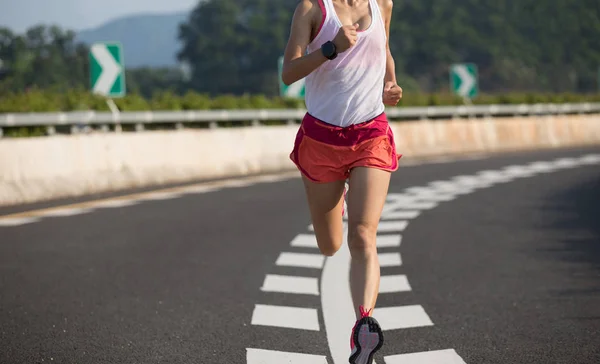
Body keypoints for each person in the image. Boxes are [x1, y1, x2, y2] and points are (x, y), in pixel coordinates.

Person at [282, 0, 402, 363]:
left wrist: (391, 82)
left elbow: (385, 50)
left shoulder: (382, 4)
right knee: (330, 244)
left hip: (371, 135)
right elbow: (288, 73)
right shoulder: (312, 8)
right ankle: (340, 201)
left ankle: (363, 326)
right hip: (322, 141)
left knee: (363, 235)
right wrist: (331, 48)